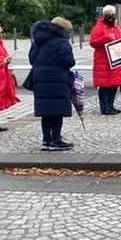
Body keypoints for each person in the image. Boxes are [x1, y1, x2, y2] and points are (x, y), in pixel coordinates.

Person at [29, 17, 76, 151]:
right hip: (58, 80)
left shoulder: (38, 41)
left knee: (46, 111)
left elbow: (32, 59)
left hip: (40, 80)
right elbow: (69, 61)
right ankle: (56, 139)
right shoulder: (61, 42)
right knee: (57, 110)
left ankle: (46, 139)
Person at [89, 5, 121, 115]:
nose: (111, 16)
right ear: (104, 15)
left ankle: (111, 106)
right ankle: (104, 107)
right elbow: (93, 42)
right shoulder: (98, 28)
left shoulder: (116, 28)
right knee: (104, 85)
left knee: (114, 84)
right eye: (108, 14)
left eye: (112, 14)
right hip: (103, 61)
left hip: (115, 60)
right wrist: (105, 38)